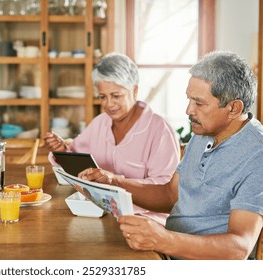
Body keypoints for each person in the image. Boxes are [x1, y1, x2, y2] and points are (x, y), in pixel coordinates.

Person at [79, 51, 263, 259]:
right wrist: (113, 181)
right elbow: (170, 195)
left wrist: (163, 239)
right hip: (168, 253)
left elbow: (240, 247)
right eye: (189, 99)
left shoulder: (257, 154)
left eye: (199, 103)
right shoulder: (204, 132)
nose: (188, 110)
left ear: (233, 108)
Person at [43, 52, 180, 225]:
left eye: (116, 96)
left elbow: (166, 192)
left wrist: (115, 180)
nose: (109, 104)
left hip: (145, 221)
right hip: (100, 215)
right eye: (102, 97)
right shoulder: (100, 123)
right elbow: (76, 161)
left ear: (135, 90)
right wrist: (62, 150)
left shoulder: (159, 130)